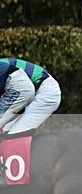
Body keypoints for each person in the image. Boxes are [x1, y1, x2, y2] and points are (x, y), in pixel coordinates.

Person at [0, 58, 62, 187]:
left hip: (45, 93)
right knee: (6, 128)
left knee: (14, 132)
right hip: (33, 89)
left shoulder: (2, 66)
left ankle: (5, 175)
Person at [0, 57, 61, 136]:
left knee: (16, 133)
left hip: (46, 91)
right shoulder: (3, 64)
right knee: (6, 130)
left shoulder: (3, 65)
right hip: (35, 88)